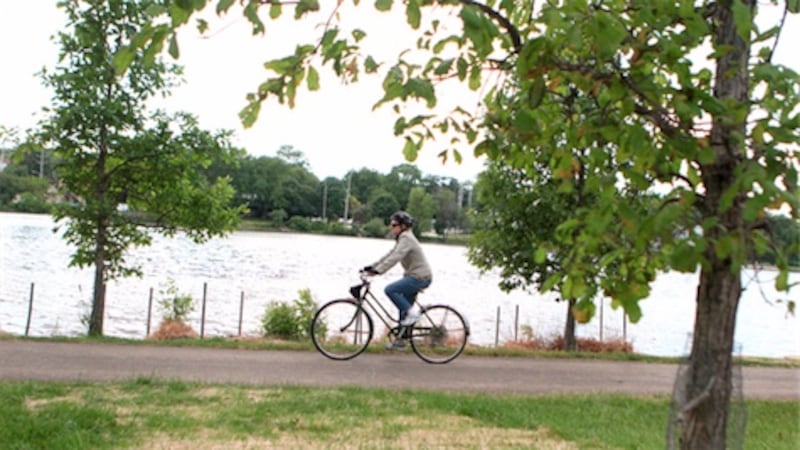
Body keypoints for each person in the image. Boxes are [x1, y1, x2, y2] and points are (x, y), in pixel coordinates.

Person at [363, 211, 432, 350]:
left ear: (403, 226)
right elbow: (391, 254)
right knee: (404, 311)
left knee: (390, 290)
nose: (391, 227)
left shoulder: (406, 238)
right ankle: (400, 341)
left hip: (419, 277)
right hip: (413, 276)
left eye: (394, 225)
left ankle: (412, 314)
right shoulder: (402, 238)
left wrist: (379, 271)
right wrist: (373, 266)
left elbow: (396, 257)